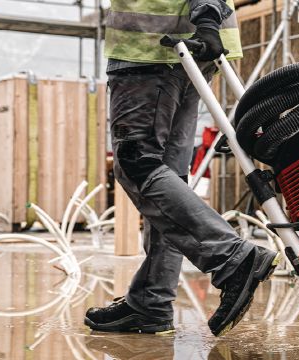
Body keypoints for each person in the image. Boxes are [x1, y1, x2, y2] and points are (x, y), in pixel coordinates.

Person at [84, 0, 280, 337]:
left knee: (137, 165)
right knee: (167, 178)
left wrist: (206, 16)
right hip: (179, 48)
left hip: (152, 48)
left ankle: (233, 259)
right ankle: (151, 301)